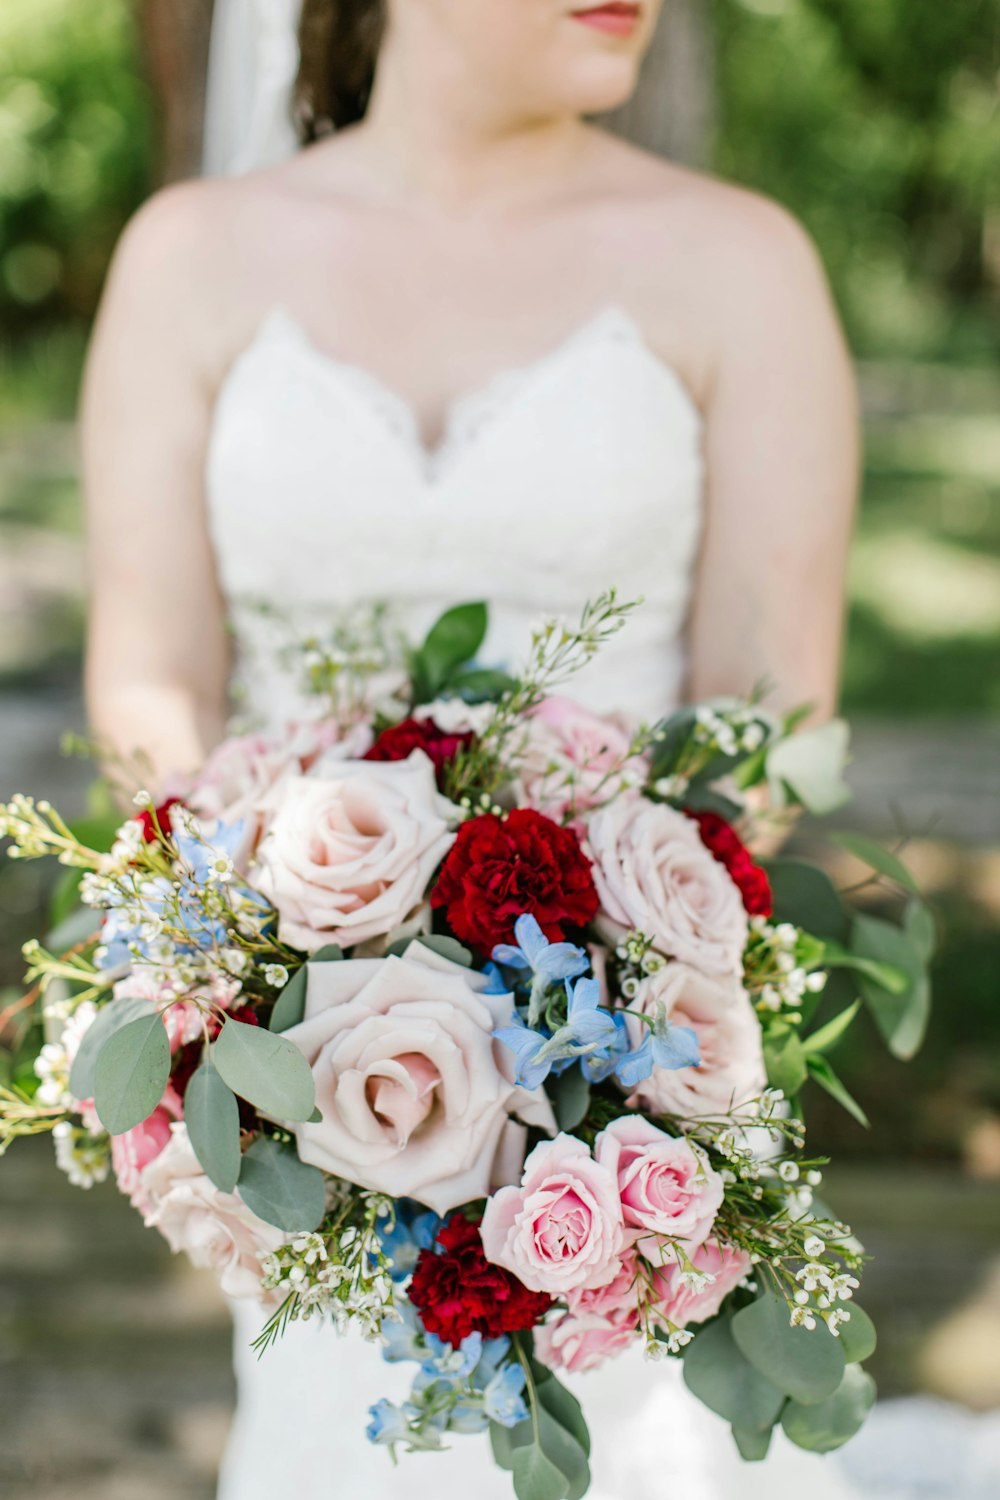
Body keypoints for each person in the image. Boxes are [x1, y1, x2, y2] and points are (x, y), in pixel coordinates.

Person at [80, 2, 858, 1495]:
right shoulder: (189, 258)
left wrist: (581, 994)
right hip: (313, 1090)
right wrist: (285, 979)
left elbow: (772, 730)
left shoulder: (741, 262)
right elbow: (150, 690)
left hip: (629, 1076)